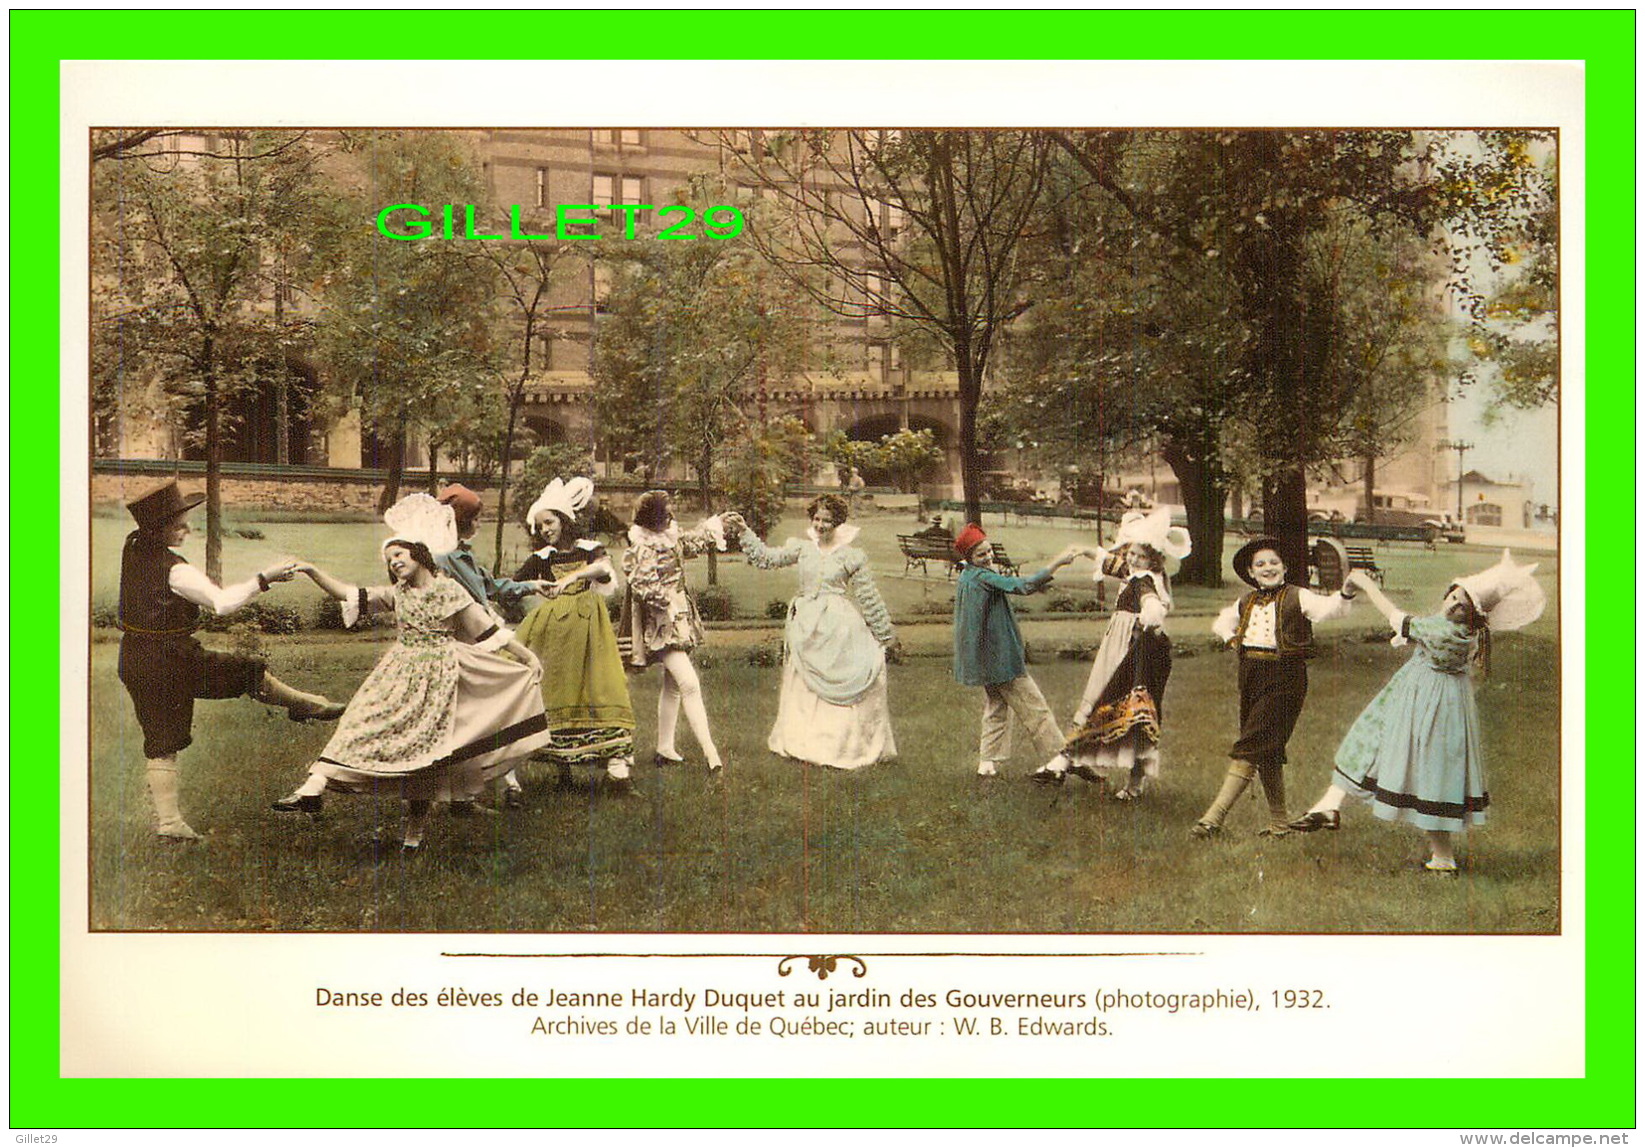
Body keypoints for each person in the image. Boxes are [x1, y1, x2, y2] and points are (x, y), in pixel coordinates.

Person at [272, 494, 549, 852]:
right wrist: (311, 570)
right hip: (398, 672)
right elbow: (347, 592)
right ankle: (312, 789)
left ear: (419, 553)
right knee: (360, 720)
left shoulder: (449, 589)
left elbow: (486, 629)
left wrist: (526, 656)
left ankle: (413, 838)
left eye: (400, 555)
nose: (394, 563)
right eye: (390, 559)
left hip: (442, 677)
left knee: (428, 758)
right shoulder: (396, 594)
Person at [1288, 552, 1545, 874]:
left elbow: (1395, 617)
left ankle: (1443, 856)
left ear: (1473, 618)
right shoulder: (1457, 629)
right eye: (1453, 596)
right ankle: (1329, 805)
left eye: (1462, 606)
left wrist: (1365, 583)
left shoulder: (1447, 632)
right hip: (1418, 699)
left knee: (1428, 776)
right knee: (1368, 742)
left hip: (1429, 707)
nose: (1452, 605)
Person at [115, 480, 344, 840]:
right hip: (171, 657)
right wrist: (263, 579)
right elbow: (221, 604)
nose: (188, 529)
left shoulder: (134, 547)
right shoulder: (176, 569)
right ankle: (306, 705)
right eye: (179, 524)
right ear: (158, 530)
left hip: (134, 657)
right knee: (245, 670)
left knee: (161, 740)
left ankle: (170, 824)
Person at [1191, 537, 1356, 839]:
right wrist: (1232, 639)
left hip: (1285, 678)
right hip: (1251, 675)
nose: (1268, 568)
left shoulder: (1299, 596)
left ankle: (1212, 819)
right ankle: (1280, 825)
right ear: (1251, 573)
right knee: (1266, 749)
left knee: (1252, 744)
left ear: (1285, 567)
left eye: (1274, 562)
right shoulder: (1245, 601)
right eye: (1260, 564)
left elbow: (1329, 609)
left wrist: (1345, 593)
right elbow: (1221, 623)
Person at [726, 495, 898, 770]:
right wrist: (744, 531)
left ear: (837, 523)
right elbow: (766, 558)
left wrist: (884, 633)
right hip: (806, 623)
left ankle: (839, 744)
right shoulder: (802, 549)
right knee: (804, 680)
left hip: (839, 625)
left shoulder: (851, 555)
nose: (820, 525)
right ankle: (804, 741)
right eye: (817, 519)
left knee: (844, 675)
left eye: (827, 520)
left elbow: (868, 595)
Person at [1032, 507, 1191, 799]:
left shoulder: (1144, 579)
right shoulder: (1135, 572)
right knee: (1132, 712)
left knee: (1123, 708)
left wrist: (1149, 616)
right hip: (1128, 646)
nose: (1132, 559)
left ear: (1153, 560)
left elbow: (1151, 604)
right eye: (1130, 553)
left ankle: (1067, 762)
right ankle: (1125, 780)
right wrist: (1083, 550)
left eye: (1139, 556)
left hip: (1133, 648)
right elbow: (1111, 561)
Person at [512, 477, 638, 792]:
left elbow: (603, 569)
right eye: (540, 526)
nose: (545, 529)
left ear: (565, 520)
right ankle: (564, 769)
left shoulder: (587, 548)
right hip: (555, 628)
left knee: (603, 684)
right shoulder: (542, 557)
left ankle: (617, 772)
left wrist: (571, 579)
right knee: (560, 688)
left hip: (590, 625)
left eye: (550, 522)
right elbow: (514, 585)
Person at [434, 482, 550, 806]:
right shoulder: (441, 559)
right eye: (477, 518)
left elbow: (493, 586)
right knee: (480, 716)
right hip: (464, 646)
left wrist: (531, 585)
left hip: (481, 640)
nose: (480, 524)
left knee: (488, 713)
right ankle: (474, 791)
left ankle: (492, 786)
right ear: (463, 521)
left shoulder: (462, 555)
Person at [951, 523, 1080, 778]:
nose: (988, 557)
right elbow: (1024, 586)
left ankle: (986, 764)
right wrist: (1057, 563)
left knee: (996, 708)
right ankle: (1059, 759)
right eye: (981, 555)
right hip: (1001, 658)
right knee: (1036, 709)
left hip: (985, 658)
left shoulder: (967, 576)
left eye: (989, 551)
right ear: (970, 559)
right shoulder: (984, 577)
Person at [620, 490, 727, 773]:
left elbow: (692, 543)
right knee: (689, 683)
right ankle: (711, 753)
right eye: (666, 513)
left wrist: (718, 525)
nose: (671, 516)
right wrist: (668, 601)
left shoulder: (670, 536)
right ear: (653, 519)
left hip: (678, 616)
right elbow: (643, 586)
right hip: (661, 623)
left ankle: (665, 748)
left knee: (673, 686)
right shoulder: (642, 546)